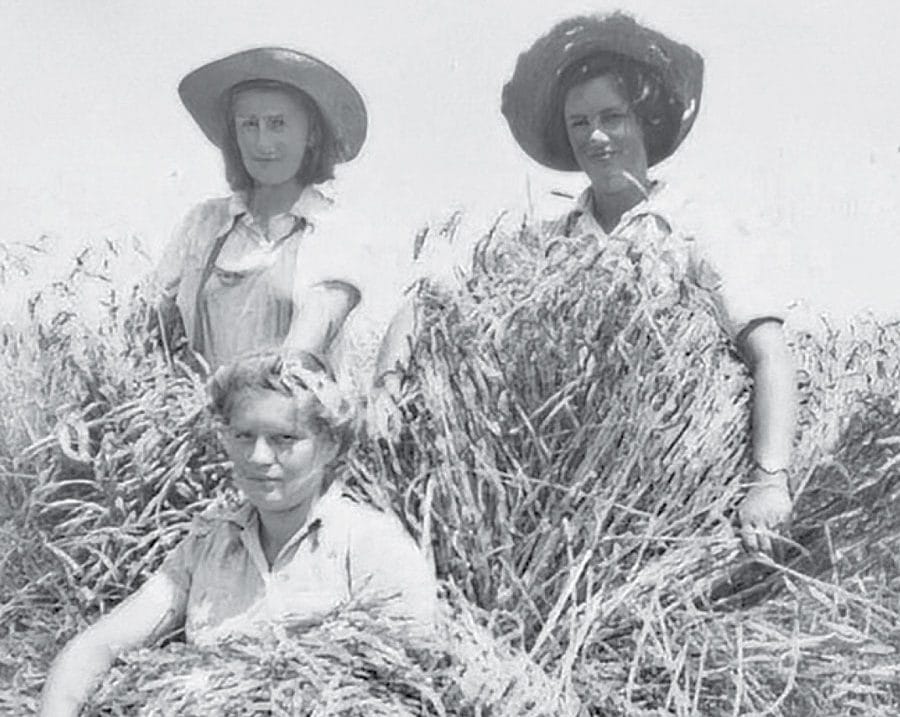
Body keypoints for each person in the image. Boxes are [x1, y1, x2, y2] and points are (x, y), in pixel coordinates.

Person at [499, 12, 796, 556]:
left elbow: (769, 354)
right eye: (579, 123)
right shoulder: (549, 243)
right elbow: (438, 301)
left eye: (612, 117)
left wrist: (769, 481)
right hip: (560, 504)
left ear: (646, 122)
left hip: (676, 498)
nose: (596, 136)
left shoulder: (696, 227)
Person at [40, 352, 438, 716]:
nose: (259, 457)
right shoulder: (207, 546)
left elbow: (413, 684)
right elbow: (95, 648)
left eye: (284, 438)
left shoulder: (372, 545)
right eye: (243, 436)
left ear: (330, 444)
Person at [153, 47, 368, 371]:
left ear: (311, 133)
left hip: (286, 400)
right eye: (249, 125)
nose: (262, 143)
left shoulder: (333, 230)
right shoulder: (203, 224)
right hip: (195, 402)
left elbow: (303, 350)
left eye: (278, 124)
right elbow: (154, 322)